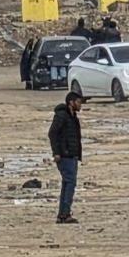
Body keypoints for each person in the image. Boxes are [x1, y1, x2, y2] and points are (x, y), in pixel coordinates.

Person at [49, 91, 83, 224]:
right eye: (78, 102)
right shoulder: (62, 116)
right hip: (65, 155)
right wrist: (57, 152)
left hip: (72, 155)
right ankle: (65, 214)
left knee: (67, 183)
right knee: (70, 183)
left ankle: (62, 214)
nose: (80, 105)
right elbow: (52, 133)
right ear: (71, 102)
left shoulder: (73, 117)